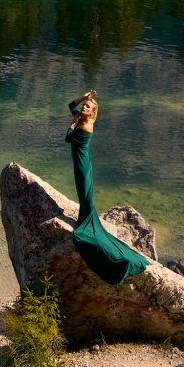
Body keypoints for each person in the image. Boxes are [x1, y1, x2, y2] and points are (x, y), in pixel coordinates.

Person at [65, 88, 150, 285]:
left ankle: (87, 223)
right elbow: (71, 105)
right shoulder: (84, 119)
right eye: (85, 105)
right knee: (84, 195)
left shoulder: (85, 127)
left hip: (82, 164)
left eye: (87, 106)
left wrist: (71, 122)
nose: (83, 107)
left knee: (85, 195)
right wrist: (84, 97)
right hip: (81, 161)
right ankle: (86, 218)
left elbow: (68, 137)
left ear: (92, 113)